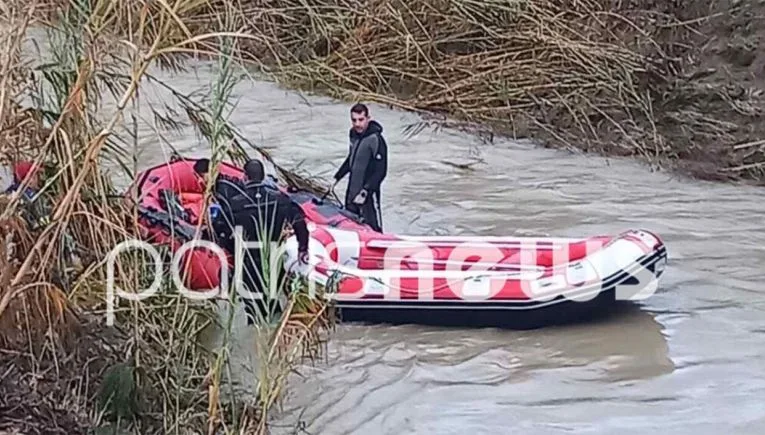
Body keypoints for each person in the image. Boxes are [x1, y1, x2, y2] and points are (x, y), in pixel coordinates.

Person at [211, 158, 310, 325]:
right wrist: (303, 248)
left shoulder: (234, 204)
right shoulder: (280, 200)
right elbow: (300, 223)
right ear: (264, 177)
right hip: (274, 259)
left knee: (252, 309)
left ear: (244, 177)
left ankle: (257, 341)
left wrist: (232, 251)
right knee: (273, 302)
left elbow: (221, 231)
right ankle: (276, 339)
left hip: (248, 262)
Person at [332, 103, 387, 232]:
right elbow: (351, 159)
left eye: (361, 120)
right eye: (354, 120)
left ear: (368, 118)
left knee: (374, 229)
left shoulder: (376, 139)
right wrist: (337, 177)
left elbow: (381, 171)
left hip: (368, 196)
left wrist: (365, 191)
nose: (357, 124)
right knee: (349, 228)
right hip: (351, 193)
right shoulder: (353, 135)